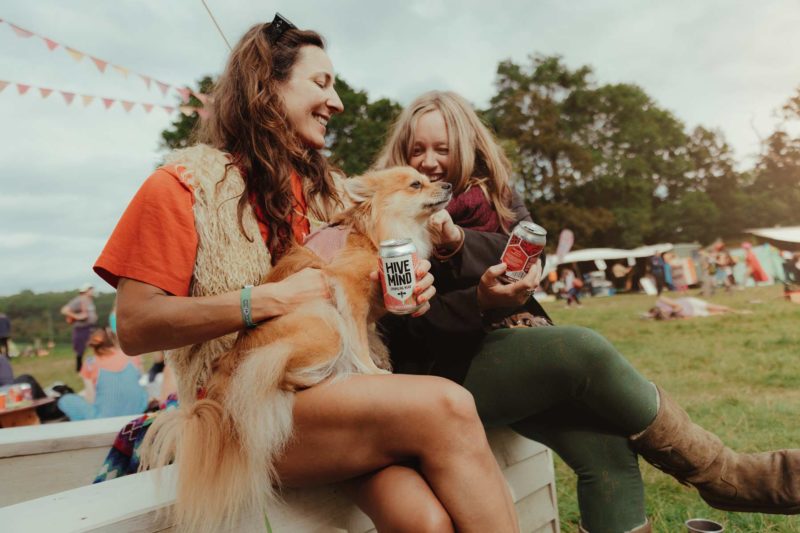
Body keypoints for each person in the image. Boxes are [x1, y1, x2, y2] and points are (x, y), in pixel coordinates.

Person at [93, 18, 518, 533]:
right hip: (246, 407)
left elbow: (351, 298)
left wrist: (388, 298)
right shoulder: (183, 186)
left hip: (336, 393)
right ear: (265, 87)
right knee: (447, 405)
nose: (337, 102)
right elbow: (136, 326)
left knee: (423, 520)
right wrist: (264, 300)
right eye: (321, 84)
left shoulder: (337, 195)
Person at [373, 89, 800, 532]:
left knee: (608, 450)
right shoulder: (392, 210)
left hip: (510, 346)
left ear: (466, 147)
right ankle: (725, 474)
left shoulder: (494, 195)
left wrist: (462, 243)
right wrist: (478, 299)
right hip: (442, 371)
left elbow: (517, 245)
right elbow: (403, 326)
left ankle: (725, 477)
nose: (427, 161)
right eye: (416, 149)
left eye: (442, 149)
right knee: (580, 348)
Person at [57, 328, 148, 421]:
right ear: (114, 340)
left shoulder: (90, 363)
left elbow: (91, 398)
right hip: (137, 411)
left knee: (65, 400)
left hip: (105, 418)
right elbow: (140, 379)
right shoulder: (132, 356)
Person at [60, 283, 98, 372]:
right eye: (90, 289)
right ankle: (79, 369)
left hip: (91, 328)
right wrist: (77, 316)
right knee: (80, 350)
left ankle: (95, 366)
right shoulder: (78, 300)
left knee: (96, 346)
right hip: (82, 329)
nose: (92, 291)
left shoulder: (89, 300)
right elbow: (64, 310)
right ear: (85, 290)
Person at [643, 295, 743, 320]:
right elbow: (683, 317)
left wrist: (671, 310)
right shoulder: (665, 318)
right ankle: (731, 313)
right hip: (692, 313)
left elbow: (678, 306)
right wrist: (670, 316)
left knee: (715, 307)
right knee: (716, 313)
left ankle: (737, 312)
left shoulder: (660, 302)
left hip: (691, 303)